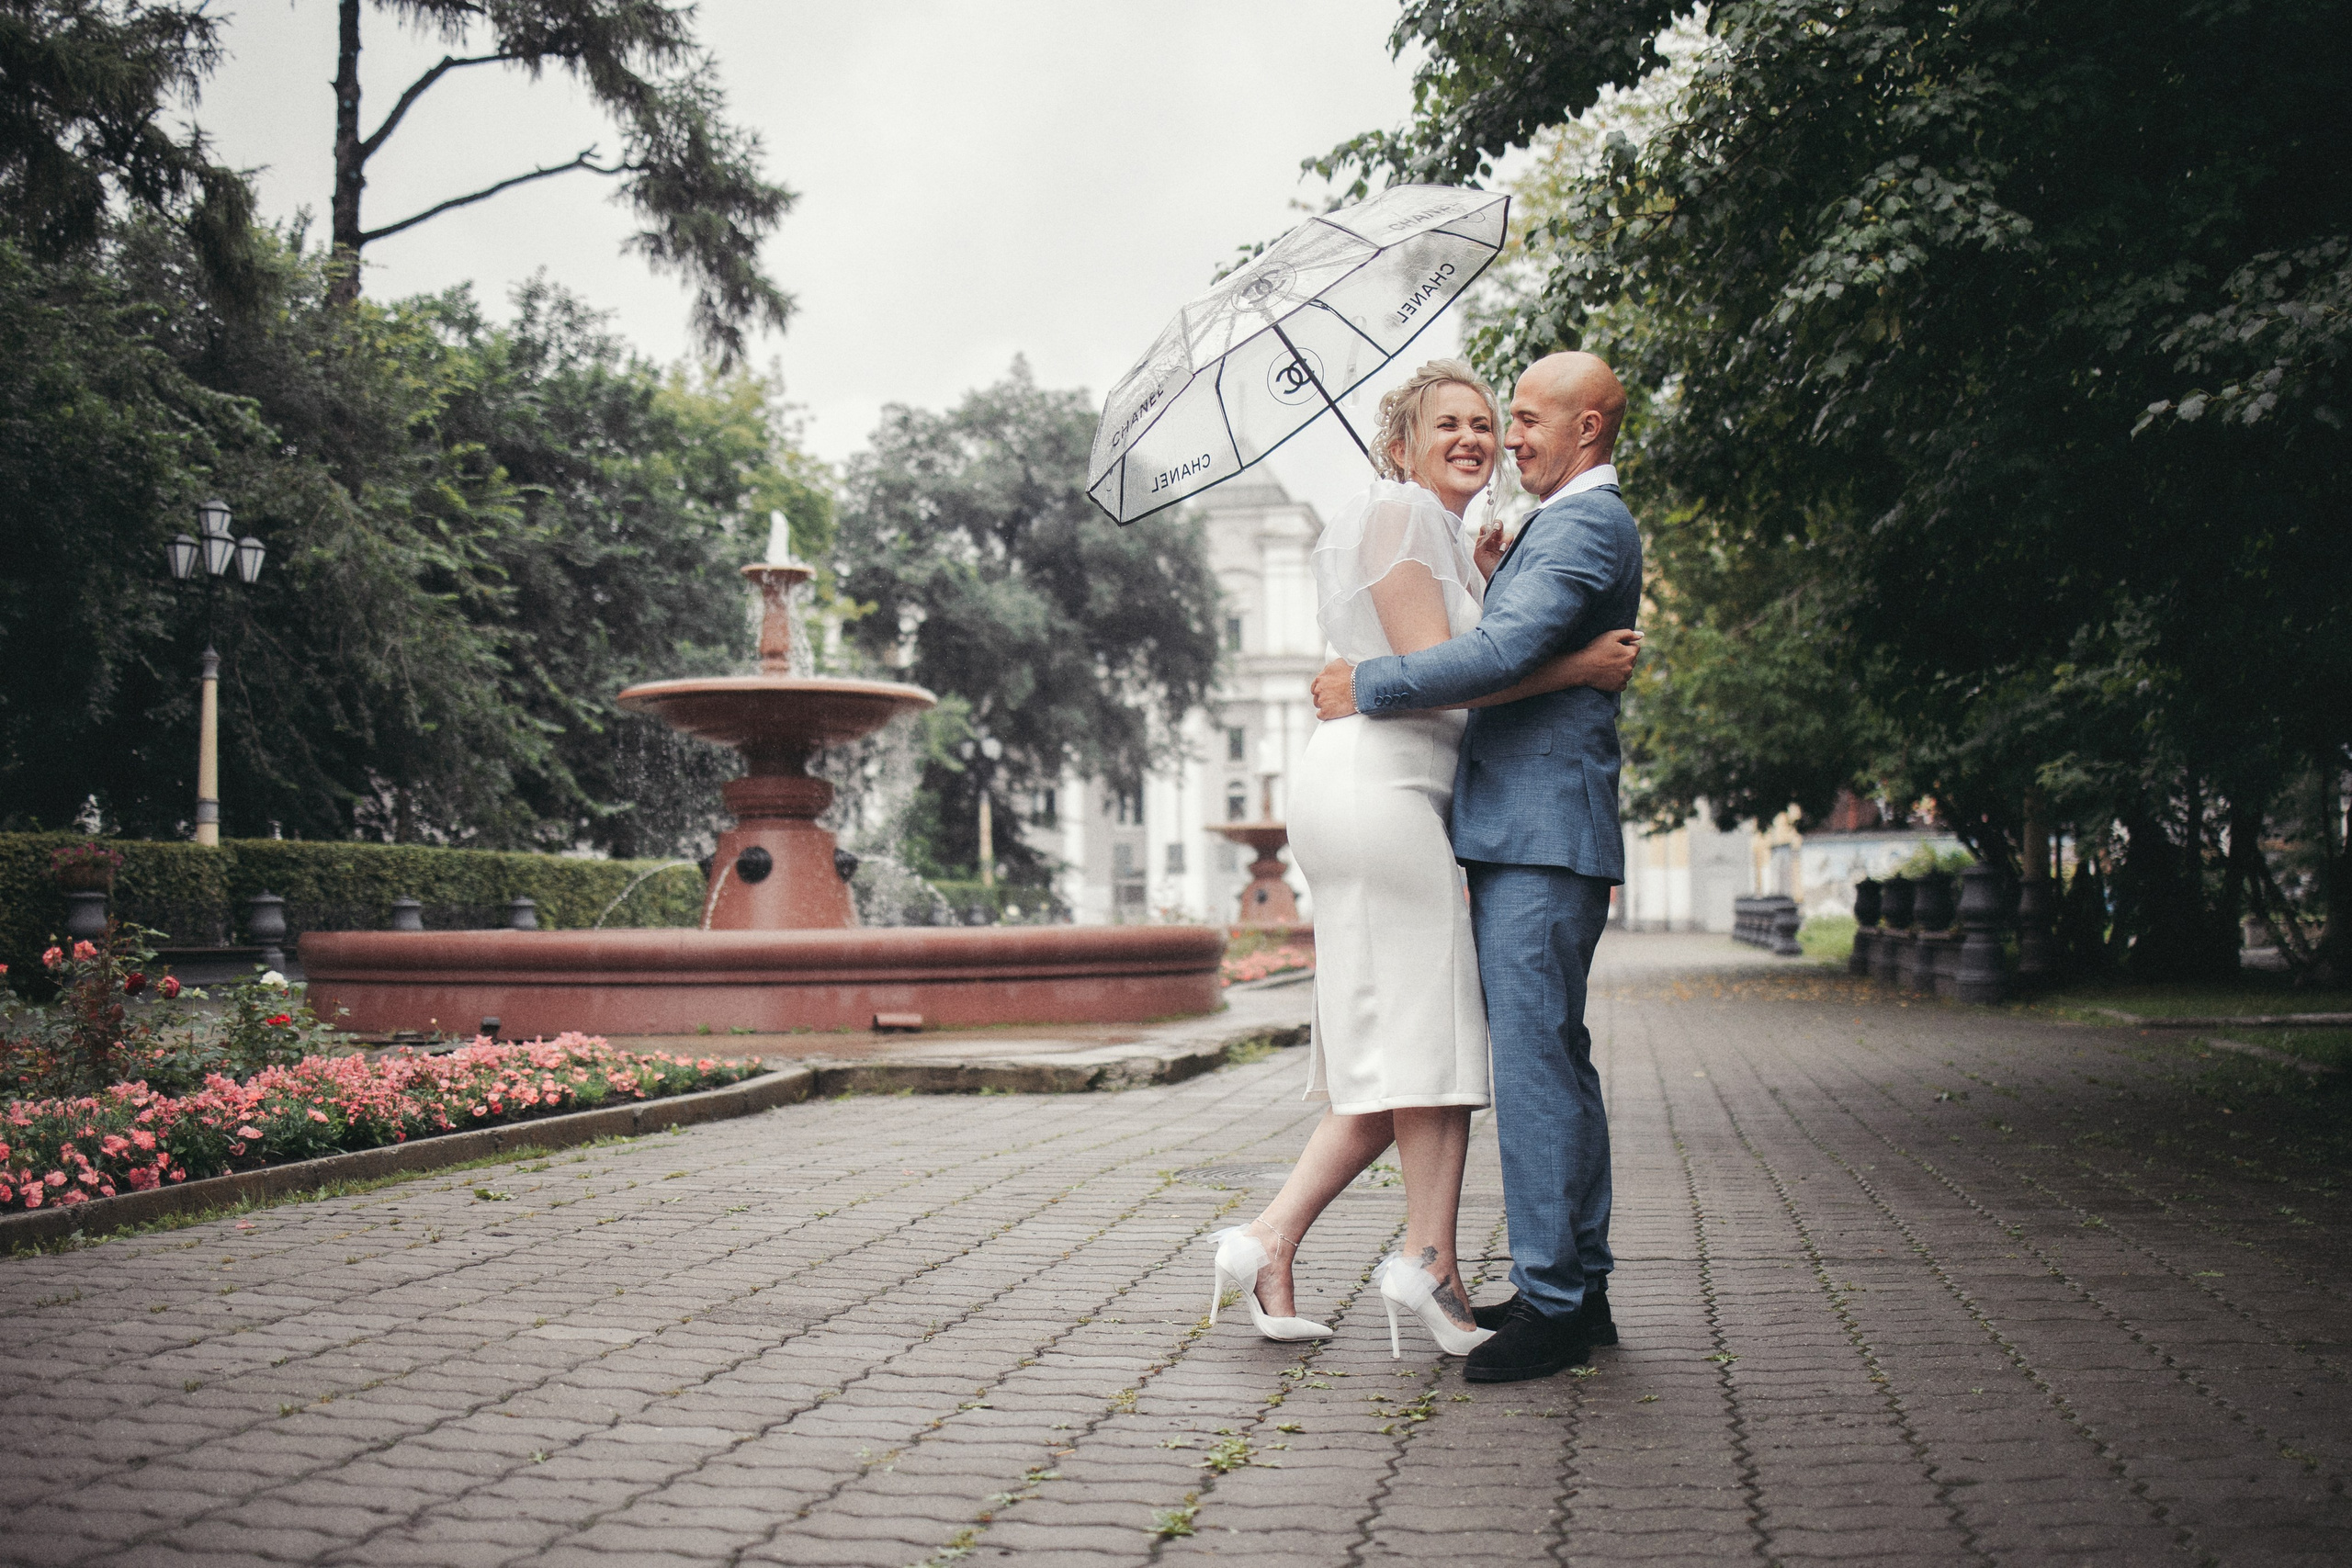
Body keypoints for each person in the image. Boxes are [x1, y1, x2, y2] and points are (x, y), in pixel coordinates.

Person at [1209, 357, 1642, 1359]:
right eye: (1458, 421)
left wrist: (1472, 599)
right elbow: (1475, 669)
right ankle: (1460, 1274)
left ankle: (1296, 1243)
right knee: (1444, 1047)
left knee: (1438, 1046)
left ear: (1586, 430)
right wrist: (1557, 662)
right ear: (1397, 445)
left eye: (1496, 421)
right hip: (1389, 788)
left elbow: (1483, 656)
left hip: (1411, 792)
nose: (1487, 438)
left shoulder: (1506, 529)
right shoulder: (1408, 516)